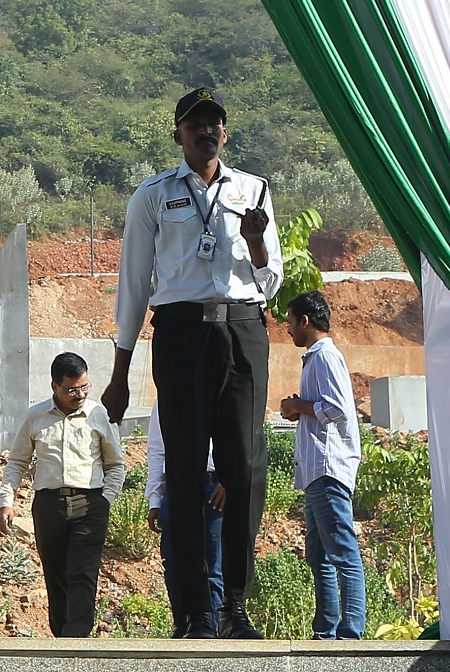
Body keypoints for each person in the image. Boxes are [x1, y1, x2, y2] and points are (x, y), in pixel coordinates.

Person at [106, 87, 278, 639]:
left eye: (215, 122)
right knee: (183, 470)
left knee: (245, 468)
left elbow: (269, 280)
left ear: (225, 132)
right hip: (180, 333)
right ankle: (193, 611)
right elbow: (134, 284)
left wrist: (256, 245)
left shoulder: (254, 190)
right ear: (178, 133)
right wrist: (119, 374)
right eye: (195, 122)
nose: (207, 129)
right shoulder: (152, 196)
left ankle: (235, 609)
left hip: (243, 329)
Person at [0, 353, 125, 637]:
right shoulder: (35, 417)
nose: (79, 394)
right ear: (55, 386)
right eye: (71, 389)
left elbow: (116, 464)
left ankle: (76, 639)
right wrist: (6, 501)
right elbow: (17, 462)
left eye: (84, 387)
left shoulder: (98, 415)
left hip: (90, 504)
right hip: (48, 506)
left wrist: (105, 500)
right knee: (55, 575)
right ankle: (61, 639)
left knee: (83, 573)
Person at [280, 290, 364, 640]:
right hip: (317, 471)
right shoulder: (316, 358)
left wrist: (299, 406)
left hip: (329, 468)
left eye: (290, 322)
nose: (288, 331)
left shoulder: (326, 356)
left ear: (305, 321)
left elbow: (337, 408)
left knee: (342, 553)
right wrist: (298, 407)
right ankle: (326, 630)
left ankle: (350, 630)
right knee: (319, 557)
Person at [145, 407, 226, 637]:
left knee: (211, 561)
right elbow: (157, 450)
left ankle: (213, 626)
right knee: (173, 559)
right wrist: (155, 498)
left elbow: (235, 439)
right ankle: (184, 624)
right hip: (177, 485)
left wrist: (229, 478)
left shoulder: (218, 391)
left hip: (213, 486)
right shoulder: (165, 399)